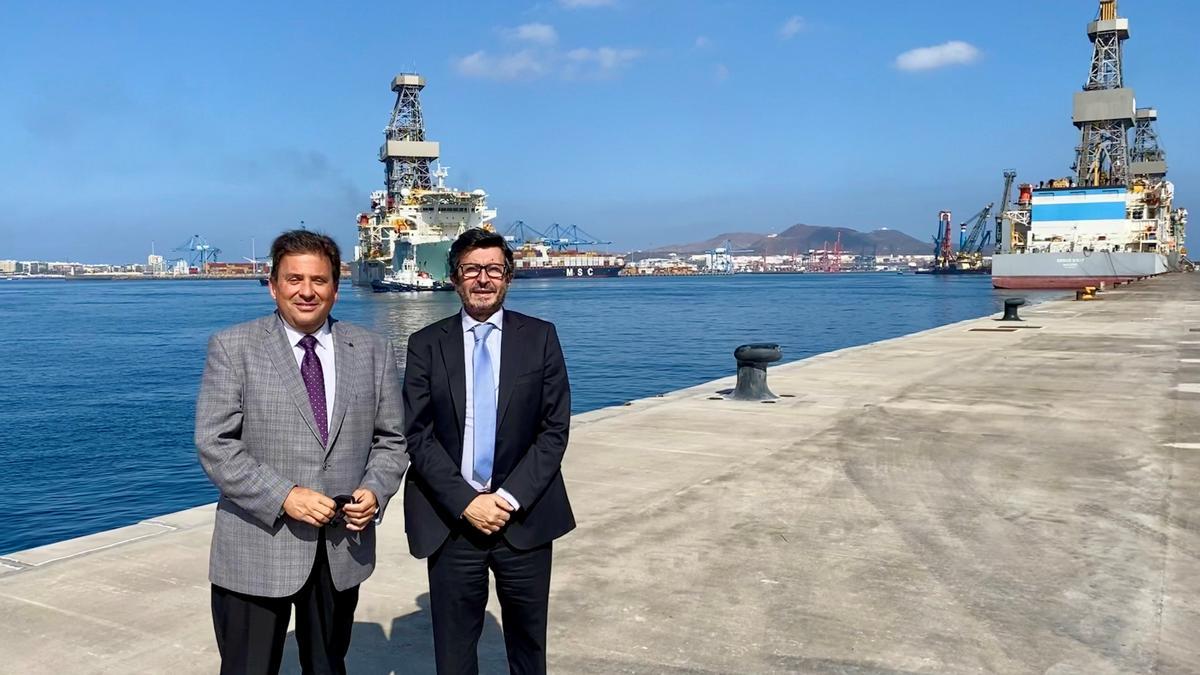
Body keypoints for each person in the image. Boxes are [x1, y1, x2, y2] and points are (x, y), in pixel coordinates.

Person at [196, 229, 408, 675]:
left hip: (339, 551)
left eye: (319, 280)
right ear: (273, 285)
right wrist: (284, 496)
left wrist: (375, 490)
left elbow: (391, 440)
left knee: (329, 667)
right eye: (294, 279)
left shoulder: (372, 349)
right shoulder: (234, 347)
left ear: (336, 287)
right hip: (257, 546)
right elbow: (215, 443)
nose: (307, 291)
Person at [402, 228, 575, 674]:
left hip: (524, 516)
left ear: (508, 277)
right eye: (472, 270)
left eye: (493, 269)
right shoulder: (425, 344)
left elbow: (553, 430)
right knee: (454, 652)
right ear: (455, 278)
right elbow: (417, 435)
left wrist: (507, 498)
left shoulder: (540, 337)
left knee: (527, 647)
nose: (483, 279)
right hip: (451, 521)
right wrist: (467, 502)